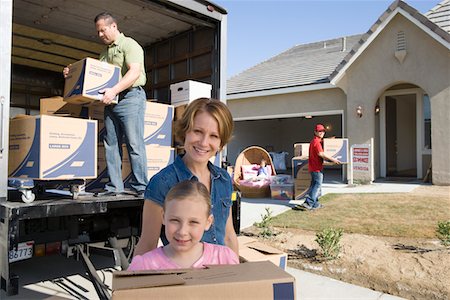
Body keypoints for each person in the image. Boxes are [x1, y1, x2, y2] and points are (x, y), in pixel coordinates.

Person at [133, 97, 239, 257]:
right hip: (185, 275)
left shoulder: (224, 179)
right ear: (185, 132)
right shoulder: (162, 183)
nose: (204, 142)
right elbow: (148, 243)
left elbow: (229, 236)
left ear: (221, 144)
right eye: (198, 131)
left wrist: (237, 276)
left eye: (214, 136)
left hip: (220, 274)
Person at [63, 12, 147, 197]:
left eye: (103, 30)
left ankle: (141, 187)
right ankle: (114, 187)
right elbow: (93, 75)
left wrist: (114, 90)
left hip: (130, 98)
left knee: (134, 143)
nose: (100, 35)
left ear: (114, 26)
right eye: (98, 32)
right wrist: (72, 72)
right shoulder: (105, 53)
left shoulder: (130, 45)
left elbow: (134, 73)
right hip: (111, 100)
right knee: (111, 143)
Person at [128, 180, 239, 270]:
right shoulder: (144, 266)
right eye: (175, 220)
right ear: (163, 217)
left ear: (208, 222)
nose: (182, 231)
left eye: (193, 222)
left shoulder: (225, 259)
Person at [296, 124, 340, 210]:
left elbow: (322, 142)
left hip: (314, 167)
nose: (322, 133)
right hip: (316, 168)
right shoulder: (316, 142)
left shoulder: (316, 141)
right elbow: (321, 154)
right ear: (315, 132)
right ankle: (308, 203)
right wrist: (333, 160)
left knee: (314, 185)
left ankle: (315, 204)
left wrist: (330, 140)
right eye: (319, 131)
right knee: (317, 185)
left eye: (323, 131)